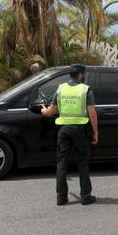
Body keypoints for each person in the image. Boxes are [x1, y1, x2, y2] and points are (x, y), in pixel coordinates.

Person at [41, 64, 99, 205]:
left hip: (63, 130)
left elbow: (52, 111)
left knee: (61, 163)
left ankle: (61, 197)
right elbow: (92, 114)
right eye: (84, 74)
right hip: (79, 130)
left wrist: (44, 110)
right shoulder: (85, 90)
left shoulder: (61, 88)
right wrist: (96, 132)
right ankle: (85, 196)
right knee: (83, 162)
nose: (85, 76)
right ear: (80, 75)